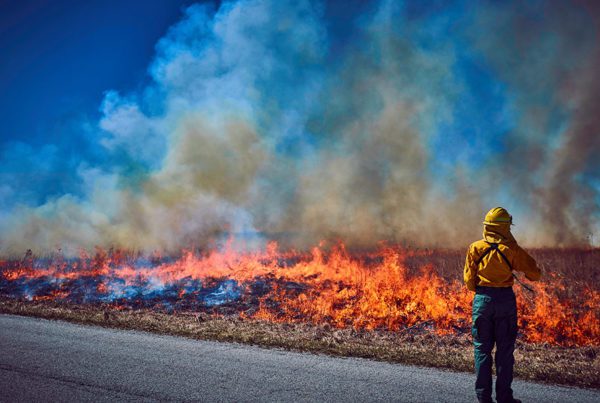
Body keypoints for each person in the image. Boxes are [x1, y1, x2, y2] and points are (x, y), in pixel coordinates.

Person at [464, 207, 541, 403]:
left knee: (481, 350)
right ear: (506, 226)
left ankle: (483, 398)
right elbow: (535, 274)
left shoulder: (475, 247)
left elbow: (469, 281)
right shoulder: (512, 249)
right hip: (505, 301)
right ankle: (505, 398)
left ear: (487, 226)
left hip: (482, 300)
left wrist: (484, 289)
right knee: (505, 352)